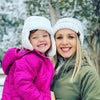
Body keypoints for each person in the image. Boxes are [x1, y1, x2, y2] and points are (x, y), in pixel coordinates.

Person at [1, 16, 56, 100]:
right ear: (28, 41)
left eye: (44, 36)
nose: (41, 39)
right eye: (35, 37)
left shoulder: (43, 60)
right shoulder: (29, 59)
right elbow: (23, 85)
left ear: (50, 38)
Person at [51, 17, 100, 100]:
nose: (65, 42)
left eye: (71, 37)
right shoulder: (47, 70)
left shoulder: (87, 74)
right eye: (59, 37)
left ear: (78, 41)